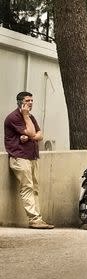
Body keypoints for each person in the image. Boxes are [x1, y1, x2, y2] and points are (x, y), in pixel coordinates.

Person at [4, 92, 53, 229]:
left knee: (35, 187)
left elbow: (40, 135)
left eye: (32, 100)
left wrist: (30, 135)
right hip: (19, 157)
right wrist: (26, 117)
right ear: (20, 102)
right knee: (27, 187)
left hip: (31, 156)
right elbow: (32, 133)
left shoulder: (30, 117)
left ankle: (38, 218)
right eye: (28, 100)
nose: (31, 103)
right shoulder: (13, 117)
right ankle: (34, 219)